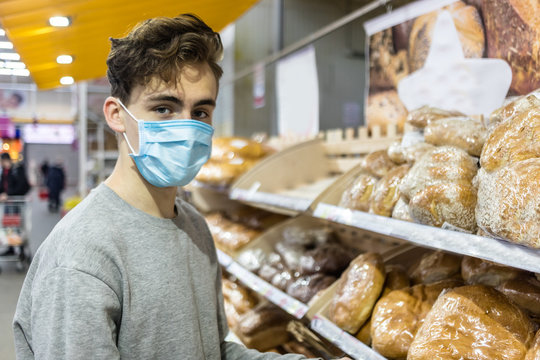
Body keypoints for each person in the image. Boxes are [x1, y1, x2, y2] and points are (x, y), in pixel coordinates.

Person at [12, 14, 349, 360]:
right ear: (116, 114)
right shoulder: (83, 255)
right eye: (164, 108)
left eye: (200, 112)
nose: (187, 129)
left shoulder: (194, 227)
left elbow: (213, 352)